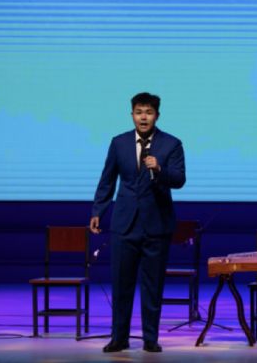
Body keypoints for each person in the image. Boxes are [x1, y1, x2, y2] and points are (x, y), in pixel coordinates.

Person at [89, 92, 186, 353]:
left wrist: (160, 169)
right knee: (121, 284)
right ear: (132, 114)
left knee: (152, 285)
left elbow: (179, 179)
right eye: (139, 112)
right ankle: (119, 338)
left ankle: (150, 338)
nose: (144, 117)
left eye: (149, 112)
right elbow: (107, 179)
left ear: (157, 116)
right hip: (124, 224)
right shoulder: (119, 143)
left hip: (157, 224)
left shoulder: (172, 144)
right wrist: (98, 210)